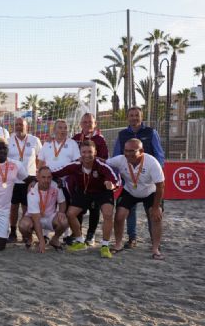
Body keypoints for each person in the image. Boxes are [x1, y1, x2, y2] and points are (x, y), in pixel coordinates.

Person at [52, 140, 120, 258]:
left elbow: (115, 178)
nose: (87, 155)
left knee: (108, 214)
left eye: (90, 152)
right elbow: (56, 172)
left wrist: (112, 185)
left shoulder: (101, 166)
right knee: (70, 213)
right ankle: (80, 241)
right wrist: (36, 179)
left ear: (95, 152)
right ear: (80, 153)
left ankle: (105, 246)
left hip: (102, 193)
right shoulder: (75, 166)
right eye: (84, 152)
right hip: (85, 193)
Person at [113, 106, 165, 249]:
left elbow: (159, 154)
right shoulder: (122, 135)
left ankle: (154, 242)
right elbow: (116, 156)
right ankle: (132, 239)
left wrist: (156, 173)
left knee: (153, 212)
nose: (134, 118)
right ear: (127, 117)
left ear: (141, 117)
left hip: (148, 181)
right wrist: (119, 178)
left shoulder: (150, 132)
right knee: (129, 211)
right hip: (130, 180)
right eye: (131, 115)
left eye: (137, 115)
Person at [107, 139, 165, 259]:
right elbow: (103, 164)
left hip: (150, 191)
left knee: (156, 216)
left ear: (141, 151)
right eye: (126, 151)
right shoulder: (120, 159)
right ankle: (118, 244)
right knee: (119, 216)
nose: (128, 154)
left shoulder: (152, 162)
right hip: (130, 190)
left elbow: (160, 186)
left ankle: (155, 249)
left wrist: (155, 208)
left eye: (132, 151)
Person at [71, 113, 108, 246]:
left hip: (95, 180)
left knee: (94, 208)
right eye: (85, 122)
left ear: (95, 124)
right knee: (78, 207)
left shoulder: (100, 139)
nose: (87, 124)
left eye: (90, 122)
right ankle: (78, 234)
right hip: (79, 179)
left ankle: (91, 235)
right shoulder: (75, 138)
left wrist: (89, 159)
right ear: (80, 124)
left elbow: (105, 159)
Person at [8, 117, 42, 243]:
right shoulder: (9, 140)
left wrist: (37, 173)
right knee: (13, 208)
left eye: (21, 125)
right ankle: (12, 232)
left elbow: (40, 158)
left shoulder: (34, 140)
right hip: (14, 179)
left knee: (28, 208)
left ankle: (26, 233)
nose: (18, 127)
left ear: (26, 126)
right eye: (16, 124)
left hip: (30, 179)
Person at [19, 166, 68, 253]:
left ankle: (55, 240)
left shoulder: (55, 186)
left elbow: (62, 202)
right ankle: (30, 238)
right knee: (23, 225)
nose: (46, 180)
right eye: (43, 177)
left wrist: (61, 212)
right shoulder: (32, 191)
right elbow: (36, 219)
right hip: (34, 218)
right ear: (37, 178)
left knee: (64, 221)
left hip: (50, 217)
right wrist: (41, 241)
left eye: (49, 177)